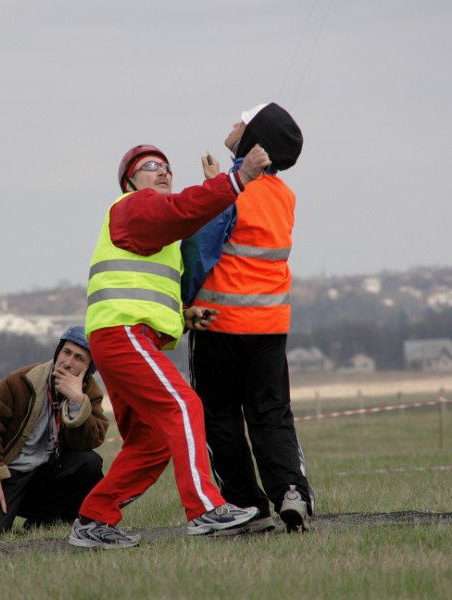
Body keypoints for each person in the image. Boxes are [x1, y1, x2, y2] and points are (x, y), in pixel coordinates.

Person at [67, 142, 272, 549]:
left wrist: (182, 316)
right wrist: (237, 179)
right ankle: (204, 510)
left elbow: (144, 289)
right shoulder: (133, 207)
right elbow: (181, 211)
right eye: (149, 167)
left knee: (152, 443)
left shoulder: (154, 229)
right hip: (123, 335)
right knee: (184, 405)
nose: (162, 172)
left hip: (123, 337)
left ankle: (93, 520)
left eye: (166, 167)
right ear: (130, 183)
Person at [185, 102, 315, 533]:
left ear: (253, 138)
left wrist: (180, 307)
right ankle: (291, 491)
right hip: (270, 327)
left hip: (217, 325)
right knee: (272, 414)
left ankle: (246, 505)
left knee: (219, 417)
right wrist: (218, 183)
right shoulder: (285, 196)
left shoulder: (231, 190)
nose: (233, 123)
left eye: (241, 119)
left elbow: (202, 251)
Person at [0, 326, 109, 536]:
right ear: (58, 352)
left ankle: (46, 520)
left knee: (89, 463)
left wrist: (77, 402)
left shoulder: (89, 393)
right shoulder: (22, 381)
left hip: (47, 474)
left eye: (79, 358)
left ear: (89, 367)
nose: (68, 362)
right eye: (66, 352)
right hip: (9, 473)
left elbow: (91, 440)